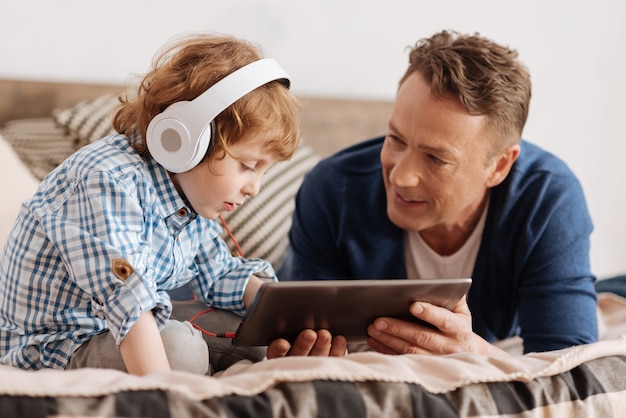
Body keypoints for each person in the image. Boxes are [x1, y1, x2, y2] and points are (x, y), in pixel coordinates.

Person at [0, 33, 345, 376]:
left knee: (254, 332)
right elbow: (129, 298)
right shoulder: (106, 181)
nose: (254, 188)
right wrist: (165, 392)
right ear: (185, 139)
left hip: (115, 326)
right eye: (247, 166)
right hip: (56, 344)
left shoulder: (188, 194)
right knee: (180, 349)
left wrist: (287, 313)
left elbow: (219, 273)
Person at [278, 30, 599, 356]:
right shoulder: (332, 189)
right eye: (396, 139)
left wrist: (471, 353)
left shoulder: (548, 198)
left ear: (499, 166)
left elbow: (568, 369)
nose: (400, 177)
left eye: (436, 158)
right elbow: (306, 343)